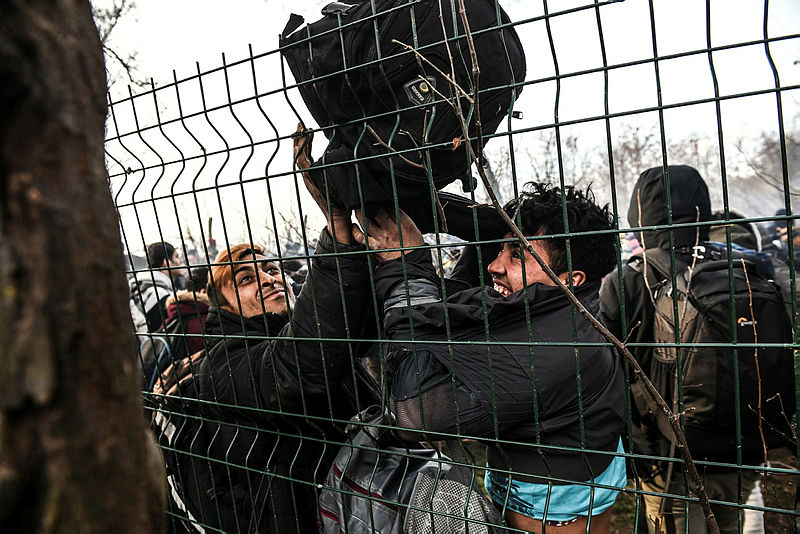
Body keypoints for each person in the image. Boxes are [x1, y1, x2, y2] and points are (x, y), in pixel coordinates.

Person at [356, 182, 627, 532]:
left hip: (549, 511)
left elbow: (414, 413)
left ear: (571, 278)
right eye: (499, 248)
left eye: (517, 254)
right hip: (558, 479)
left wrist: (407, 269)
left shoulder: (548, 348)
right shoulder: (556, 309)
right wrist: (466, 219)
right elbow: (457, 309)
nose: (494, 265)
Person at [150, 127, 377, 533]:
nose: (270, 278)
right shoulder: (221, 364)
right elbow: (297, 366)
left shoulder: (304, 324)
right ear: (222, 305)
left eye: (272, 269)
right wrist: (336, 233)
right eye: (245, 279)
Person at [599, 165, 794, 533]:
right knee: (728, 523)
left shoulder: (630, 279)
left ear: (639, 216)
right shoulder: (745, 267)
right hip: (742, 446)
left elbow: (608, 371)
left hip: (668, 456)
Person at [129, 241, 186, 332]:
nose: (181, 261)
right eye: (176, 257)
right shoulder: (159, 295)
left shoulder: (143, 287)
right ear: (166, 262)